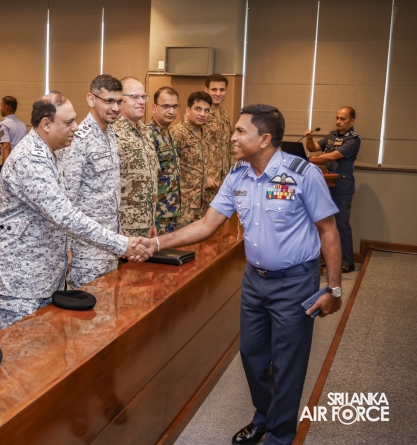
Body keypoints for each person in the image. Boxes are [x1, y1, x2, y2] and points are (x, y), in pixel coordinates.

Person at [137, 104, 343, 445]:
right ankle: (264, 415)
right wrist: (157, 243)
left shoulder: (303, 174)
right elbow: (207, 224)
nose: (232, 137)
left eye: (240, 131)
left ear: (264, 139)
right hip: (254, 281)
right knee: (252, 356)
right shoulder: (238, 175)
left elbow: (329, 231)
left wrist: (333, 289)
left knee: (288, 364)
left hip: (295, 283)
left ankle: (279, 435)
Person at [0, 92, 152, 334]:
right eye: (68, 122)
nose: (76, 127)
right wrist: (121, 244)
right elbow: (65, 214)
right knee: (16, 352)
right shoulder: (30, 159)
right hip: (17, 285)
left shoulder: (51, 152)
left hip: (41, 279)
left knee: (43, 352)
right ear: (46, 124)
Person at [57, 74, 124, 289]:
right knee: (89, 307)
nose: (115, 108)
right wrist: (67, 247)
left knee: (108, 307)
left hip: (109, 244)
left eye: (119, 101)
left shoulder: (111, 135)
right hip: (86, 251)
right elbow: (67, 198)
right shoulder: (79, 139)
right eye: (109, 101)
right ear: (91, 99)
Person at [304, 106, 361, 273]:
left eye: (343, 119)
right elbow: (313, 147)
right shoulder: (332, 135)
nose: (338, 121)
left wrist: (307, 159)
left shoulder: (354, 139)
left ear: (352, 120)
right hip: (325, 184)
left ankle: (347, 262)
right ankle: (325, 258)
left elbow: (332, 156)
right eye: (337, 118)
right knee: (323, 223)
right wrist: (310, 139)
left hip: (342, 186)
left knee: (341, 224)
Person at [110, 77, 158, 238]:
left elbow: (150, 179)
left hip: (145, 224)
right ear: (120, 100)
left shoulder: (145, 131)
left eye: (143, 97)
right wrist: (115, 226)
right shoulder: (112, 132)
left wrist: (151, 221)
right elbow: (107, 184)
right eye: (134, 97)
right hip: (123, 227)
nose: (141, 101)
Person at [171, 91, 214, 227]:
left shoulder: (205, 133)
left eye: (206, 110)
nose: (202, 114)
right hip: (183, 204)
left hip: (201, 202)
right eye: (198, 109)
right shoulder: (177, 133)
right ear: (188, 110)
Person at [145, 86, 181, 234]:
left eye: (174, 106)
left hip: (171, 210)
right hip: (157, 214)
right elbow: (146, 179)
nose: (171, 111)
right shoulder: (148, 134)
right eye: (166, 106)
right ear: (154, 108)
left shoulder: (170, 133)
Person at [204, 74, 235, 207]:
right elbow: (190, 151)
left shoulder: (224, 115)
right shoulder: (200, 115)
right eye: (214, 89)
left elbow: (230, 146)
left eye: (222, 90)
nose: (218, 93)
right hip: (207, 182)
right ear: (206, 90)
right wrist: (203, 177)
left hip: (224, 181)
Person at [0, 95, 27, 174]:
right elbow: (17, 145)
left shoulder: (4, 124)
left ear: (6, 108)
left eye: (1, 105)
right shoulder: (23, 125)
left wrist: (6, 169)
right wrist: (0, 151)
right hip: (23, 165)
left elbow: (6, 146)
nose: (0, 108)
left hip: (11, 165)